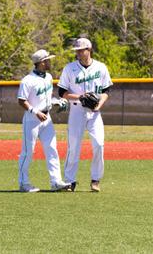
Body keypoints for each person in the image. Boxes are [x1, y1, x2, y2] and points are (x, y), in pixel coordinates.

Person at [58, 37, 113, 192]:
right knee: (73, 146)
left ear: (89, 50)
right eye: (76, 50)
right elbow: (62, 92)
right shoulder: (69, 68)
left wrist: (98, 105)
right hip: (76, 110)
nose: (78, 52)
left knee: (99, 144)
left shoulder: (101, 67)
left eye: (80, 50)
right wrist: (79, 97)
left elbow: (106, 91)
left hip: (95, 113)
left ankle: (96, 180)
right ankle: (70, 181)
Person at [17, 49, 69, 192]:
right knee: (28, 152)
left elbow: (45, 98)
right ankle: (23, 183)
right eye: (48, 60)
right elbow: (21, 101)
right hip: (32, 120)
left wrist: (57, 102)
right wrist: (36, 112)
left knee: (52, 149)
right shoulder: (28, 80)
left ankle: (56, 182)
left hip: (47, 119)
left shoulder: (49, 77)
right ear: (41, 63)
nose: (50, 62)